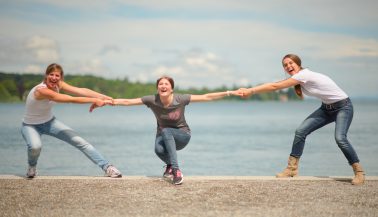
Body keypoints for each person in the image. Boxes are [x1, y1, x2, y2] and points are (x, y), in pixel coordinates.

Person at [239, 54, 365, 185]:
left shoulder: (304, 75)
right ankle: (291, 169)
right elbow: (276, 85)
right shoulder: (299, 79)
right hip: (326, 108)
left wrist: (251, 91)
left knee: (340, 138)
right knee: (301, 131)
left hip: (343, 107)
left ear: (298, 64)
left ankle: (359, 173)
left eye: (290, 63)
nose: (288, 66)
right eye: (285, 65)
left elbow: (274, 86)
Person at [91, 76, 242, 185]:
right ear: (158, 88)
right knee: (158, 149)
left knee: (166, 131)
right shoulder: (152, 100)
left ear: (171, 88)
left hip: (183, 136)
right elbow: (128, 101)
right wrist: (107, 102)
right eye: (160, 84)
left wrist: (230, 93)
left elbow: (207, 96)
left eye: (166, 84)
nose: (163, 86)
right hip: (164, 137)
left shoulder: (180, 99)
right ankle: (170, 165)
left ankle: (176, 171)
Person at [21, 63, 122, 178]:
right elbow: (70, 99)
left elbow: (81, 91)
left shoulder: (58, 84)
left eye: (57, 75)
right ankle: (32, 166)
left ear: (61, 77)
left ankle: (107, 167)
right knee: (35, 147)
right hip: (30, 126)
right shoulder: (41, 90)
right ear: (46, 75)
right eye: (51, 74)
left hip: (50, 122)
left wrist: (103, 97)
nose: (54, 78)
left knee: (80, 141)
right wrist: (95, 100)